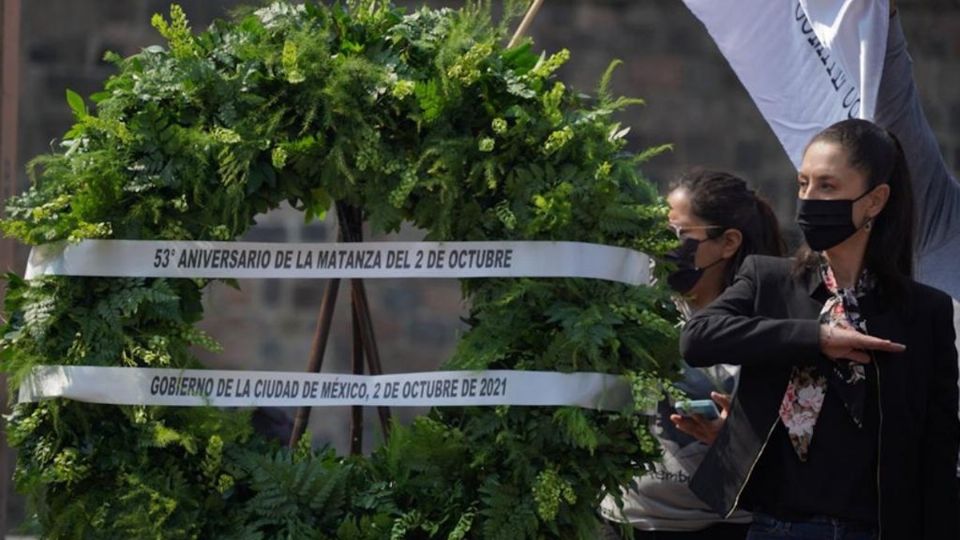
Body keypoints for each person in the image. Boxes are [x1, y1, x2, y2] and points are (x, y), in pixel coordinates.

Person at [681, 118, 959, 539]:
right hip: (776, 525)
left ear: (875, 201)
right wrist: (817, 338)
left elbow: (937, 450)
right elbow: (698, 337)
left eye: (827, 186)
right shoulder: (769, 280)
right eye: (803, 183)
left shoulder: (924, 312)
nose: (809, 199)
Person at [600, 169, 785, 538]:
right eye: (660, 232)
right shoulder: (635, 304)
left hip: (725, 526)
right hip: (628, 521)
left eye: (678, 235)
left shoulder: (767, 320)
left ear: (728, 242)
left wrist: (734, 439)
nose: (663, 247)